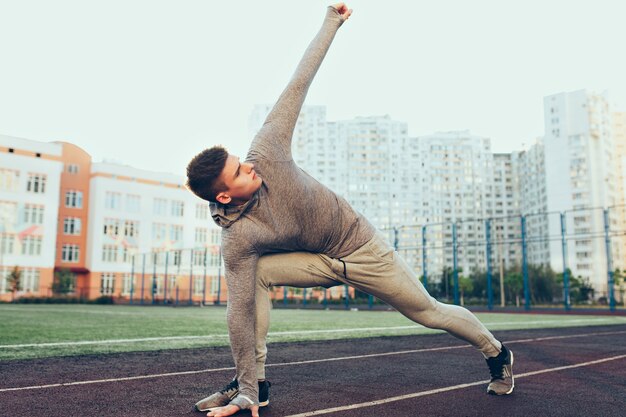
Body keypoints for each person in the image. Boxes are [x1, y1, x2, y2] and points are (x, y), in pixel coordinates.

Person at [185, 4, 514, 417]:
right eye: (239, 171)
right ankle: (257, 387)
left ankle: (496, 352)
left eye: (240, 160)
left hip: (361, 248)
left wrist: (331, 22)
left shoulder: (267, 149)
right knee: (255, 280)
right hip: (319, 261)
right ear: (224, 197)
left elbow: (299, 81)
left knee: (428, 312)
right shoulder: (237, 238)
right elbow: (238, 311)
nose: (248, 166)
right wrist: (246, 382)